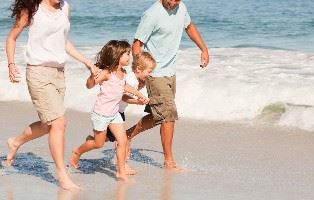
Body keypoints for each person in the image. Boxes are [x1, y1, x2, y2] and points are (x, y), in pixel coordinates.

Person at [5, 0, 97, 190]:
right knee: (59, 122)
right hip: (38, 72)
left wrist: (86, 62)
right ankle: (62, 176)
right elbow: (12, 37)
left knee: (49, 125)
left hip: (59, 74)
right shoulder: (33, 8)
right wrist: (11, 64)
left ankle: (15, 141)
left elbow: (63, 42)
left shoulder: (65, 7)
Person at [127, 0, 209, 169]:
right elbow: (136, 45)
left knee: (159, 116)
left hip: (171, 72)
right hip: (154, 73)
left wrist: (203, 49)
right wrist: (141, 74)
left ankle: (126, 135)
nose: (173, 2)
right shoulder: (152, 14)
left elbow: (190, 26)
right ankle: (169, 161)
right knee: (169, 115)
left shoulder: (182, 7)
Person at [69, 40, 147, 182]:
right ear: (117, 56)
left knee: (122, 141)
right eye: (127, 54)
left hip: (115, 113)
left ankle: (120, 172)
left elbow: (124, 85)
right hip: (101, 114)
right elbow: (89, 86)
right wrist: (92, 76)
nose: (129, 57)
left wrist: (138, 94)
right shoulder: (106, 73)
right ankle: (77, 151)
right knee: (98, 144)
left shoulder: (123, 72)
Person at [84, 52, 156, 175]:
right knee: (122, 140)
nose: (150, 74)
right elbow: (123, 97)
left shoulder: (134, 79)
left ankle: (92, 140)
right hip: (114, 112)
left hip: (117, 111)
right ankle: (122, 166)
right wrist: (137, 102)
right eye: (149, 71)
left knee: (109, 139)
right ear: (139, 69)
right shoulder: (131, 80)